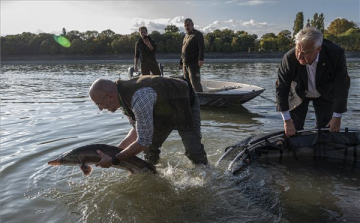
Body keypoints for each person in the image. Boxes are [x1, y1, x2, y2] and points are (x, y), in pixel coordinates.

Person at [89, 75, 208, 168]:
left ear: (109, 96)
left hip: (182, 101)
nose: (100, 108)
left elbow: (143, 141)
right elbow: (137, 130)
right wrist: (111, 154)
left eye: (99, 103)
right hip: (161, 109)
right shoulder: (122, 98)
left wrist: (115, 159)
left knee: (193, 150)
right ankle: (151, 173)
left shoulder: (139, 98)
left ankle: (207, 173)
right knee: (150, 150)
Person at [276, 27, 350, 137]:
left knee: (326, 131)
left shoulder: (336, 54)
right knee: (293, 129)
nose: (299, 56)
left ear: (318, 49)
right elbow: (281, 88)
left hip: (324, 93)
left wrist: (337, 117)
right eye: (297, 50)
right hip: (298, 93)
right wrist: (287, 120)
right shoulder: (289, 58)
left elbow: (341, 86)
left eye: (305, 53)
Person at [179, 18, 205, 92]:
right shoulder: (185, 36)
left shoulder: (197, 34)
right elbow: (183, 50)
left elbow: (201, 47)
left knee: (195, 82)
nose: (187, 27)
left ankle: (200, 99)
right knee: (187, 83)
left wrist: (201, 59)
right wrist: (181, 62)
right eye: (185, 25)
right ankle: (191, 99)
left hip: (193, 63)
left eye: (188, 25)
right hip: (185, 63)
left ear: (192, 25)